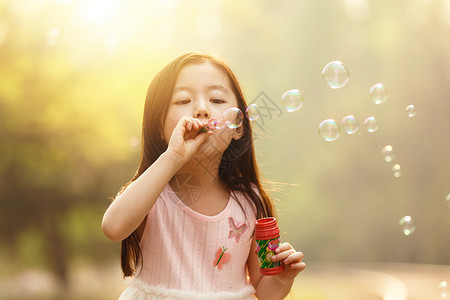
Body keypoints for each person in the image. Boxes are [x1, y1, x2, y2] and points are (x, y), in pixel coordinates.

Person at [101, 52, 306, 300]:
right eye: (183, 100)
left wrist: (282, 278)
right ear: (159, 126)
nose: (201, 109)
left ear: (239, 126)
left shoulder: (250, 203)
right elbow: (113, 228)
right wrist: (173, 157)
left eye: (217, 99)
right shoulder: (151, 195)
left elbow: (263, 290)